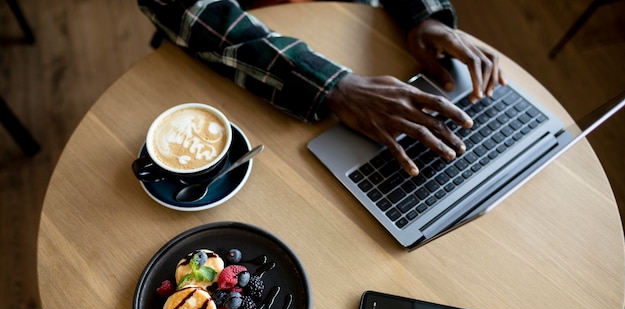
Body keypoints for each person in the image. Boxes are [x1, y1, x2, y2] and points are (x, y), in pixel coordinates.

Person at [138, 0, 505, 176]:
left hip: (359, 24)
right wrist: (330, 83)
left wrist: (421, 13)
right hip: (239, 46)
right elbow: (183, 7)